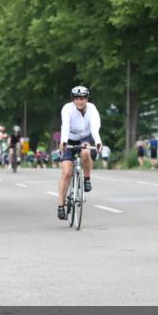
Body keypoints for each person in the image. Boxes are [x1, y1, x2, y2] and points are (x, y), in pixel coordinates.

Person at [56, 86, 102, 220]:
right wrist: (63, 141)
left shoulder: (92, 109)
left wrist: (98, 141)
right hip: (69, 138)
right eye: (76, 99)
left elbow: (94, 126)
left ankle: (87, 179)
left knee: (86, 152)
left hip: (85, 137)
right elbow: (65, 126)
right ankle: (60, 205)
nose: (79, 101)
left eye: (82, 98)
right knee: (66, 173)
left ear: (87, 99)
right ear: (73, 99)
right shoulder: (67, 109)